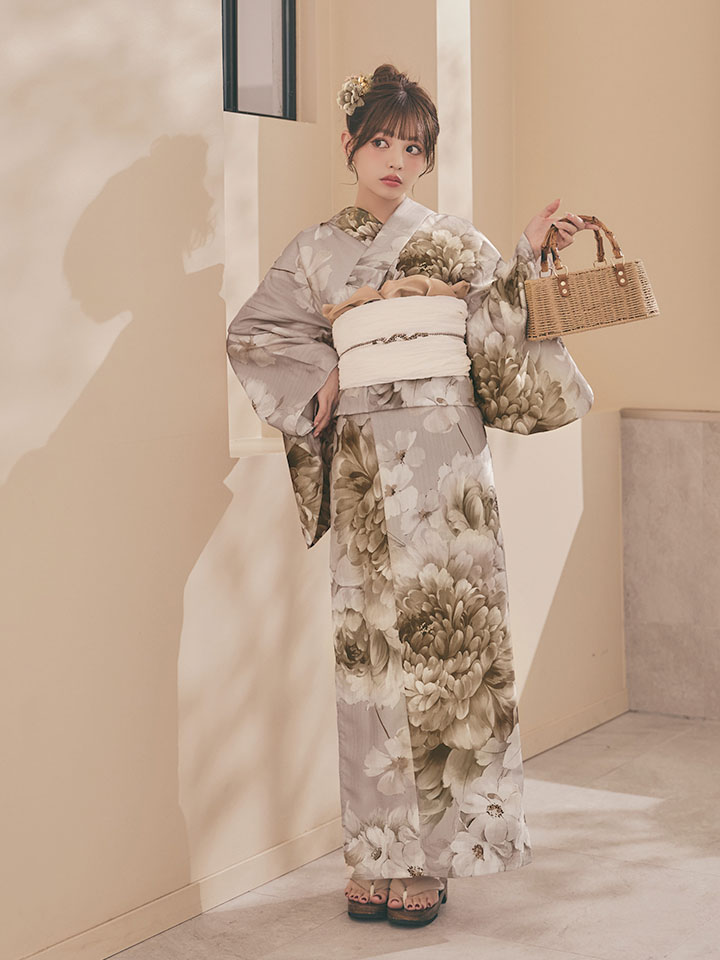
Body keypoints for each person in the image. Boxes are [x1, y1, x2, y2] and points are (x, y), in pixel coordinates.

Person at [226, 62, 594, 927]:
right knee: (371, 660)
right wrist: (322, 371)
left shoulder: (456, 241)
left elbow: (497, 327)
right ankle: (375, 856)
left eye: (413, 147)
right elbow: (256, 332)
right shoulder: (314, 251)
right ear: (351, 145)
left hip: (448, 461)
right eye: (382, 142)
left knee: (449, 655)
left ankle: (431, 860)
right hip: (364, 461)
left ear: (426, 158)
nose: (397, 160)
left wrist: (529, 254)